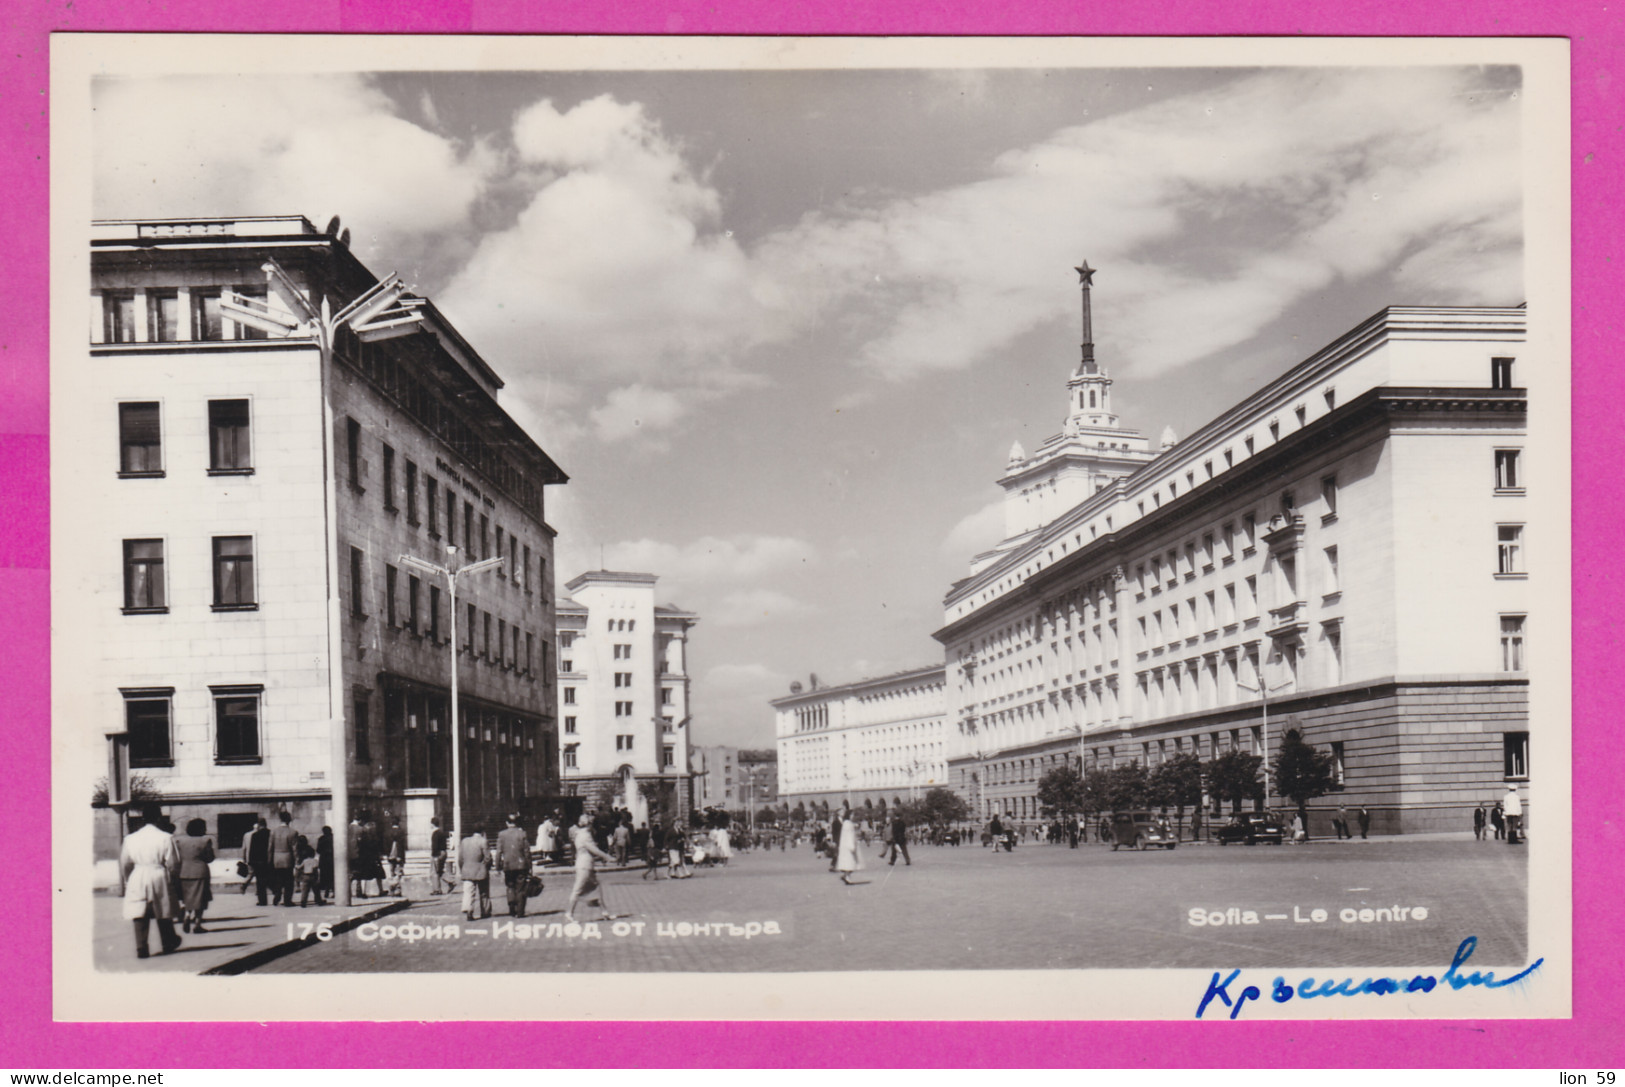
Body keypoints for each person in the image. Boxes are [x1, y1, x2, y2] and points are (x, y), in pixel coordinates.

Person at [121, 805, 182, 959]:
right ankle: (168, 942)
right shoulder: (166, 837)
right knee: (162, 908)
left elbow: (125, 863)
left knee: (139, 910)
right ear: (158, 817)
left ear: (143, 818)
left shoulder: (130, 838)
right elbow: (174, 863)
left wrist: (128, 879)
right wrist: (173, 878)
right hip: (158, 873)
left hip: (138, 874)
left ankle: (141, 946)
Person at [567, 813, 618, 923]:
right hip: (584, 865)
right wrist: (608, 857)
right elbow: (594, 849)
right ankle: (569, 913)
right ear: (588, 824)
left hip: (586, 864)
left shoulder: (580, 834)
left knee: (596, 888)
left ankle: (605, 912)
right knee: (578, 889)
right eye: (592, 824)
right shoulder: (585, 835)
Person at [174, 817, 215, 934]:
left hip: (184, 872)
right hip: (200, 872)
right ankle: (197, 924)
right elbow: (210, 858)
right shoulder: (205, 841)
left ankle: (187, 915)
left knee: (188, 898)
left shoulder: (180, 841)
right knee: (201, 898)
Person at [496, 813, 533, 918]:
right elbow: (527, 851)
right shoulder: (522, 834)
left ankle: (512, 909)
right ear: (516, 822)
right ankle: (520, 911)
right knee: (521, 888)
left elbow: (499, 851)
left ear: (507, 823)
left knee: (510, 886)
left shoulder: (501, 835)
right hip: (521, 865)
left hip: (508, 865)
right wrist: (529, 865)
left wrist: (497, 866)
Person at [458, 826, 491, 921]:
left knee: (468, 892)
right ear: (482, 831)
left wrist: (462, 868)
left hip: (467, 869)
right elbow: (487, 857)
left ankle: (469, 911)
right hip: (480, 870)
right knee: (484, 892)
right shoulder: (483, 841)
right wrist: (485, 866)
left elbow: (460, 858)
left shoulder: (464, 841)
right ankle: (485, 911)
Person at [268, 811, 299, 906]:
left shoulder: (273, 831)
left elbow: (270, 847)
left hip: (276, 858)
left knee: (278, 879)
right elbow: (295, 848)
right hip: (288, 858)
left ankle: (277, 895)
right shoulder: (293, 832)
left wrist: (269, 860)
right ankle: (287, 900)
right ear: (289, 820)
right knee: (289, 881)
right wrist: (297, 860)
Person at [242, 816, 271, 905]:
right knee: (271, 878)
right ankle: (276, 892)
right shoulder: (270, 833)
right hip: (268, 860)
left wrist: (251, 861)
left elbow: (252, 850)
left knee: (260, 881)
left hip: (258, 862)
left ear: (259, 825)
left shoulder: (255, 835)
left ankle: (262, 901)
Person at [835, 810, 864, 885]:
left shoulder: (845, 823)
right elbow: (849, 836)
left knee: (848, 863)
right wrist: (852, 845)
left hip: (845, 846)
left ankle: (846, 876)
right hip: (849, 846)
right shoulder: (848, 824)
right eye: (852, 815)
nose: (853, 816)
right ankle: (847, 877)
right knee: (850, 863)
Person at [429, 816, 450, 894]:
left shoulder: (435, 834)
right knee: (440, 871)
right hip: (443, 852)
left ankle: (437, 889)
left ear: (432, 824)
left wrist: (434, 856)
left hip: (438, 854)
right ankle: (450, 881)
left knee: (435, 872)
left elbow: (434, 846)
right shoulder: (441, 832)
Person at [316, 826, 335, 900]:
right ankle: (333, 891)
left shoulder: (321, 839)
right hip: (332, 859)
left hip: (324, 860)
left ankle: (326, 891)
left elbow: (318, 850)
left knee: (325, 877)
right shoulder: (333, 838)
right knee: (332, 876)